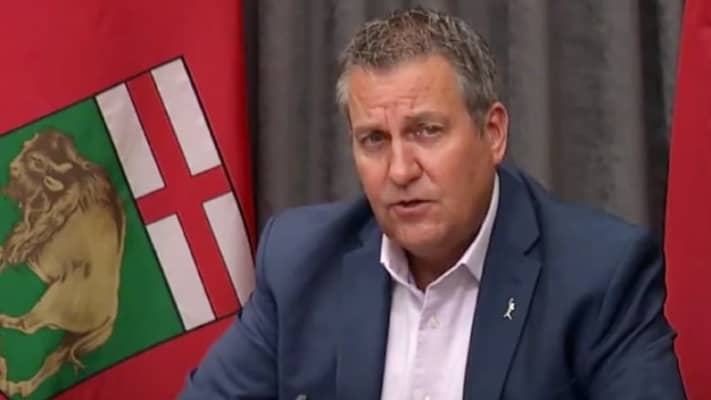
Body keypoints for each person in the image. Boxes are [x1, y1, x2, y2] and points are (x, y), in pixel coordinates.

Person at [179, 6, 686, 399]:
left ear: (493, 133)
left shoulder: (599, 275)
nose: (400, 170)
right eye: (374, 140)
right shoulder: (301, 262)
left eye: (426, 131)